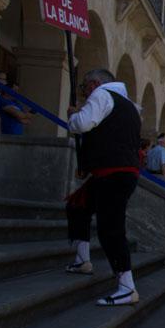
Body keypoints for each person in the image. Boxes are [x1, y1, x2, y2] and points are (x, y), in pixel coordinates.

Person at [67, 69, 141, 305]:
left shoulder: (102, 95)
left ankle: (127, 287)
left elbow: (83, 124)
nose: (85, 92)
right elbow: (106, 136)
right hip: (116, 172)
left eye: (85, 87)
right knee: (78, 206)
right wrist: (87, 165)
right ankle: (82, 260)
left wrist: (74, 116)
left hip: (113, 174)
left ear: (95, 84)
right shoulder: (129, 106)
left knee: (110, 229)